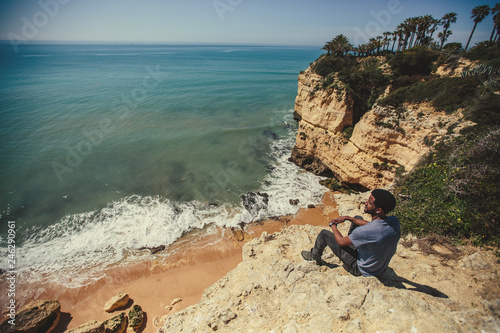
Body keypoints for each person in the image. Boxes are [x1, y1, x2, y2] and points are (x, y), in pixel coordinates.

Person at [301, 189, 401, 277]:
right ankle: (352, 239)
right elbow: (372, 226)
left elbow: (341, 242)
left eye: (370, 203)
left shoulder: (366, 231)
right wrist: (348, 218)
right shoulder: (393, 221)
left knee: (324, 234)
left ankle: (314, 256)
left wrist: (333, 225)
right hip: (378, 267)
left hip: (359, 269)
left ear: (378, 210)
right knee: (357, 218)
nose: (366, 202)